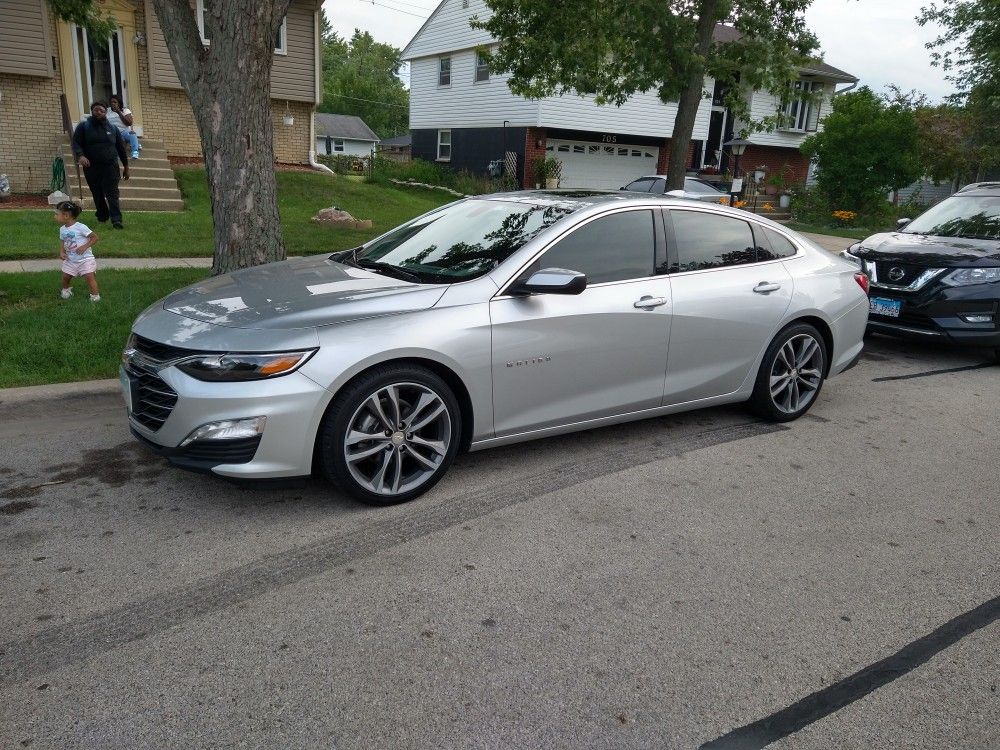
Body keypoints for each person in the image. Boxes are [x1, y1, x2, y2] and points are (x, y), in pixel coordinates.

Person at [71, 101, 130, 229]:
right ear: (92, 111)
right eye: (96, 110)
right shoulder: (84, 126)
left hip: (111, 166)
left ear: (105, 113)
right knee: (97, 193)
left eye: (102, 110)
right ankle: (102, 216)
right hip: (91, 167)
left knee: (112, 193)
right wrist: (80, 156)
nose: (99, 112)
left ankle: (116, 220)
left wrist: (126, 167)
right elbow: (76, 143)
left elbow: (121, 149)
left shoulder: (113, 129)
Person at [55, 200, 101, 302]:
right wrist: (62, 252)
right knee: (66, 276)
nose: (55, 216)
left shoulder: (80, 227)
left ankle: (95, 296)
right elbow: (62, 241)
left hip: (85, 259)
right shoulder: (62, 229)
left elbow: (95, 238)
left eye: (57, 214)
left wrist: (85, 246)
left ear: (66, 215)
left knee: (89, 277)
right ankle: (66, 290)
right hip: (70, 259)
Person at [107, 94, 140, 160]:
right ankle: (135, 143)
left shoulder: (125, 110)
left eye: (115, 102)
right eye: (111, 102)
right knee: (121, 143)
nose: (113, 103)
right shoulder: (107, 111)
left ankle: (135, 151)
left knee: (132, 133)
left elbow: (129, 123)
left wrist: (119, 112)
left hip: (125, 131)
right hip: (114, 133)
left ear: (119, 103)